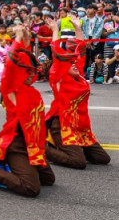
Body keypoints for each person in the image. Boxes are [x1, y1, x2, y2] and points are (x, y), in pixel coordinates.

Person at [0, 26, 56, 197]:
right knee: (32, 188)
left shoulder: (31, 90)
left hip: (32, 144)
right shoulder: (10, 89)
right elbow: (12, 63)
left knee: (48, 179)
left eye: (31, 71)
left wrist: (26, 37)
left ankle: (9, 166)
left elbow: (22, 58)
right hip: (16, 145)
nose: (30, 73)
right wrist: (17, 37)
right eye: (26, 71)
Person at [44, 21, 111, 169]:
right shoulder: (58, 77)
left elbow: (81, 50)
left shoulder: (79, 75)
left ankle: (69, 148)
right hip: (62, 125)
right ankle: (41, 149)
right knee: (79, 162)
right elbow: (56, 53)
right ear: (62, 65)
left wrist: (78, 28)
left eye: (75, 62)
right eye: (70, 62)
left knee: (102, 159)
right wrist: (55, 30)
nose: (74, 64)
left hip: (81, 127)